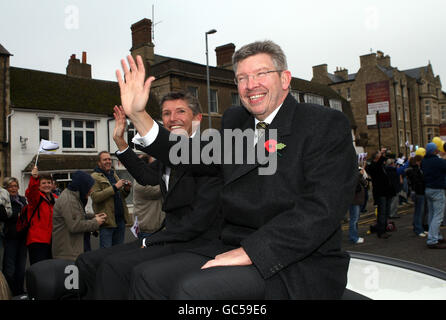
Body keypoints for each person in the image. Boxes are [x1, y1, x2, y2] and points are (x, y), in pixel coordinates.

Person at [117, 40, 357, 299]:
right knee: (147, 277)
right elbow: (185, 154)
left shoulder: (323, 124)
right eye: (242, 78)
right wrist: (139, 114)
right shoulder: (237, 122)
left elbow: (321, 209)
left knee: (195, 291)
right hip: (231, 245)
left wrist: (253, 252)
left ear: (285, 79)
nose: (251, 84)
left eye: (261, 74)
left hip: (297, 261)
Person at [75, 91, 223, 300]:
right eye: (166, 113)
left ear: (197, 118)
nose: (172, 119)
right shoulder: (166, 155)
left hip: (197, 241)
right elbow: (145, 176)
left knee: (114, 267)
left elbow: (198, 221)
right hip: (169, 236)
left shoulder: (209, 152)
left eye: (181, 111)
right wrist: (120, 142)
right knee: (86, 261)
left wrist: (154, 239)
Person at [52, 171, 107, 261]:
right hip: (68, 254)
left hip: (73, 250)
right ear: (82, 186)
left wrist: (92, 216)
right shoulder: (69, 200)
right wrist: (95, 222)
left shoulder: (74, 196)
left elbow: (77, 216)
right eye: (89, 187)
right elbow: (74, 226)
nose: (91, 190)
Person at [90, 151, 131, 248]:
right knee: (106, 253)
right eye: (105, 160)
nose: (108, 161)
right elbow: (95, 197)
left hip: (120, 220)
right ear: (99, 163)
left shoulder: (113, 174)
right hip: (107, 222)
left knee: (118, 252)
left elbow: (120, 196)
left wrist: (126, 190)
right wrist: (115, 187)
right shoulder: (94, 177)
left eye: (109, 159)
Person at [0, 178, 27, 296]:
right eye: (10, 186)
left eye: (15, 186)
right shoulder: (5, 202)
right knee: (10, 270)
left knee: (21, 269)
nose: (14, 188)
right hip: (10, 238)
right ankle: (10, 292)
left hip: (22, 238)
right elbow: (6, 217)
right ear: (6, 188)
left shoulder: (22, 200)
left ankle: (20, 292)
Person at [25, 166, 57, 265]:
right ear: (38, 186)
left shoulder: (56, 198)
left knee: (50, 269)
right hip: (37, 240)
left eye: (49, 183)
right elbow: (31, 192)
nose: (46, 185)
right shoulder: (36, 198)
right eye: (43, 183)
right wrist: (34, 178)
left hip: (52, 240)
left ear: (52, 185)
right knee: (38, 270)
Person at [132, 154, 165, 239]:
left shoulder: (145, 178)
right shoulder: (141, 183)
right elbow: (162, 189)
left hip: (154, 227)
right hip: (148, 230)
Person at [421, 142, 446, 249]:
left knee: (432, 214)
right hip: (437, 190)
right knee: (438, 216)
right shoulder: (438, 161)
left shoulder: (424, 161)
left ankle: (437, 236)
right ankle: (432, 240)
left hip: (428, 189)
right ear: (435, 150)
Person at [366, 149, 394, 239]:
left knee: (386, 212)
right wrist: (382, 154)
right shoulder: (373, 165)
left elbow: (384, 160)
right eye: (379, 154)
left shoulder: (380, 165)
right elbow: (379, 163)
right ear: (376, 157)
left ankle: (384, 228)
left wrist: (383, 155)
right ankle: (381, 231)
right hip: (380, 192)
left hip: (386, 191)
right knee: (382, 212)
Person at [405, 156, 426, 237]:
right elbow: (418, 181)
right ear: (417, 162)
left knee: (418, 211)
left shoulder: (412, 170)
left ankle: (417, 227)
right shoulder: (415, 170)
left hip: (416, 191)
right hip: (418, 192)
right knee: (419, 211)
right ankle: (418, 229)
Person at [349, 168, 367, 244]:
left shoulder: (357, 175)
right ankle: (354, 237)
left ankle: (354, 235)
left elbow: (365, 183)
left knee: (355, 219)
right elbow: (354, 182)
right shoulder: (351, 174)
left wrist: (362, 175)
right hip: (354, 200)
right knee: (354, 219)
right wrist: (360, 174)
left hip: (358, 200)